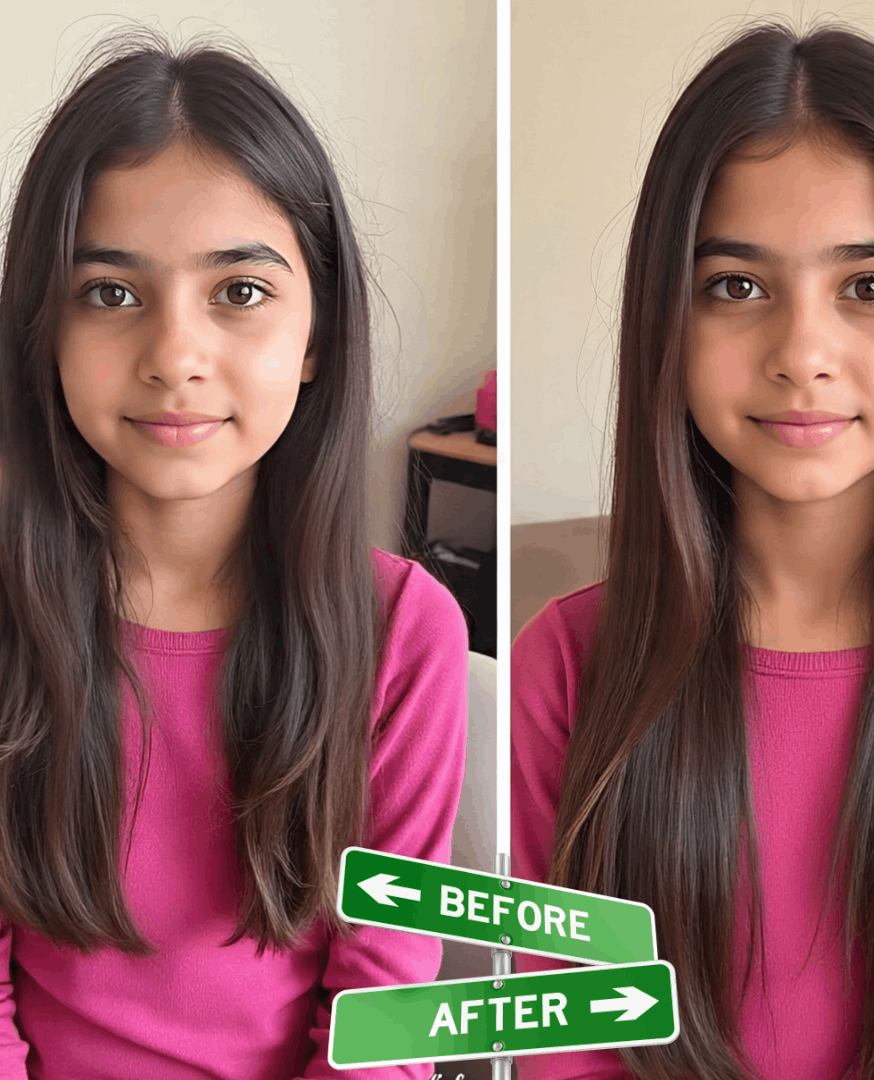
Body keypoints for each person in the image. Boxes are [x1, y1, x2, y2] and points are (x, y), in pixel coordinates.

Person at [511, 20, 874, 1080]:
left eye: (869, 286)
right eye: (736, 285)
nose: (801, 354)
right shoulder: (566, 668)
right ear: (665, 319)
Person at [0, 33, 469, 1080]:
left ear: (315, 335)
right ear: (45, 330)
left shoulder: (404, 633)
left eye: (240, 292)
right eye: (111, 294)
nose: (175, 355)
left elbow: (381, 1020)